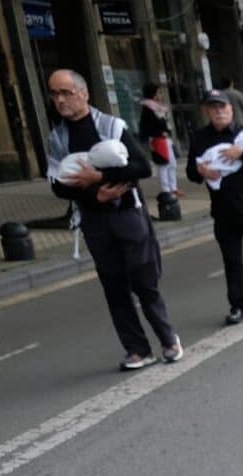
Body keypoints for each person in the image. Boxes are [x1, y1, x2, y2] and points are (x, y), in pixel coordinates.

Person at [46, 68, 181, 371]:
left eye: (66, 92)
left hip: (127, 214)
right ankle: (138, 350)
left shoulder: (111, 126)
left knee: (144, 281)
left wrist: (100, 176)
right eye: (54, 94)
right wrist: (95, 196)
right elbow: (57, 186)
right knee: (114, 286)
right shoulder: (57, 138)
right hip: (94, 220)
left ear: (83, 93)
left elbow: (142, 168)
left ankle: (169, 339)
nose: (60, 100)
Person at [188, 89, 243, 325]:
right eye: (213, 107)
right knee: (232, 262)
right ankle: (237, 306)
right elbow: (191, 172)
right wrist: (200, 171)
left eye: (222, 107)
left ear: (231, 109)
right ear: (206, 111)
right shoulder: (199, 138)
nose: (218, 112)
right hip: (223, 211)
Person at [137, 82, 179, 200]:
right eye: (159, 92)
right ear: (153, 95)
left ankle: (173, 187)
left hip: (165, 139)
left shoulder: (158, 107)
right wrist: (159, 132)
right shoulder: (148, 109)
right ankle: (166, 190)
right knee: (163, 164)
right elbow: (148, 126)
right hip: (157, 140)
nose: (161, 95)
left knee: (172, 163)